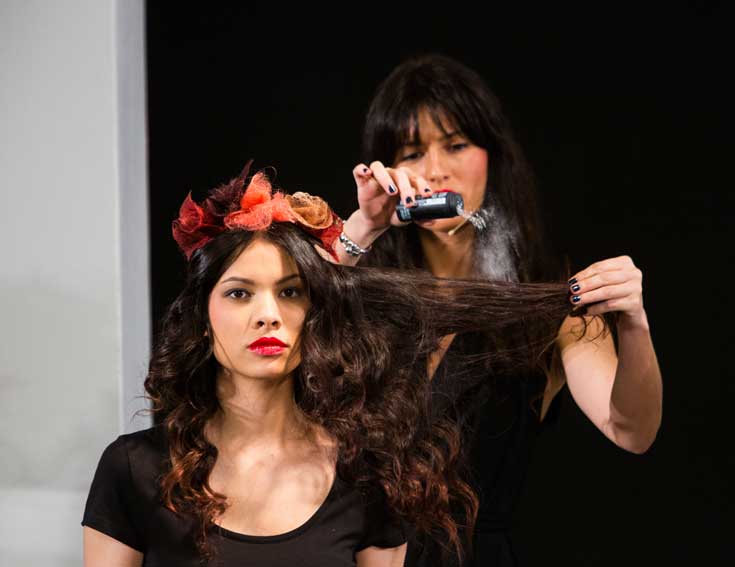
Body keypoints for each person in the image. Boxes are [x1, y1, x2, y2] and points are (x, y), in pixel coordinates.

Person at [81, 165, 577, 566]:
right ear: (202, 320)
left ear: (315, 315)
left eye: (291, 293)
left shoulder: (364, 478)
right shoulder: (135, 469)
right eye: (238, 293)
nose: (268, 315)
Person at [331, 54, 664, 566]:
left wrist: (635, 322)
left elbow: (631, 429)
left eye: (456, 144)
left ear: (492, 156)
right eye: (413, 152)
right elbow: (282, 359)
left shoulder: (548, 302)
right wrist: (362, 228)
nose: (435, 170)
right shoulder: (363, 292)